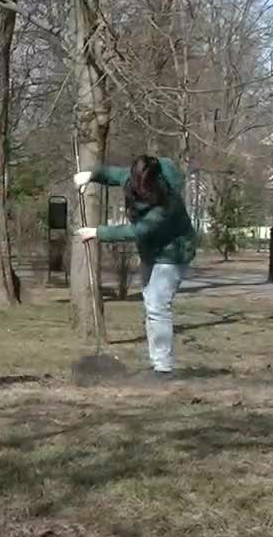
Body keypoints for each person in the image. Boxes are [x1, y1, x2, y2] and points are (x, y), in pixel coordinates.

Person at [74, 155, 196, 381]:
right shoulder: (134, 177)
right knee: (151, 304)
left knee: (158, 306)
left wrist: (97, 232)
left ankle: (163, 368)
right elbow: (113, 174)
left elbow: (136, 231)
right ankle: (157, 363)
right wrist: (91, 175)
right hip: (151, 252)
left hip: (173, 254)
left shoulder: (166, 205)